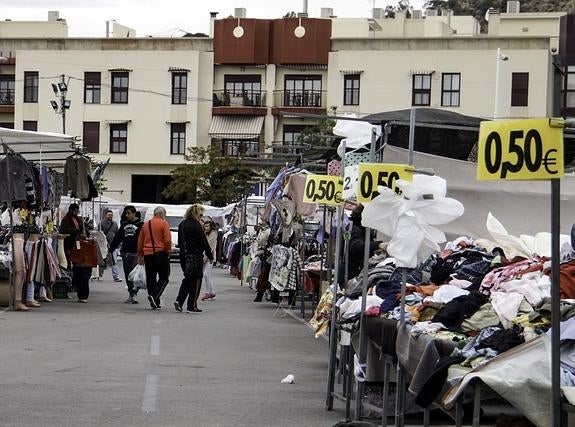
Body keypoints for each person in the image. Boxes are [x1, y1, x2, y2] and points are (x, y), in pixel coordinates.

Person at [174, 204, 213, 313]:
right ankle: (192, 305)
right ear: (196, 213)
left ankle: (179, 300)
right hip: (195, 255)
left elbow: (180, 241)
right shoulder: (196, 225)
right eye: (201, 215)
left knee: (187, 278)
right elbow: (203, 241)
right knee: (196, 280)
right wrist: (210, 255)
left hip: (183, 255)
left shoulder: (182, 224)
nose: (201, 217)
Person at [137, 206, 171, 310]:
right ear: (161, 214)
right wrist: (168, 251)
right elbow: (167, 240)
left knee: (151, 279)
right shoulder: (164, 223)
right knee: (164, 277)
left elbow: (140, 241)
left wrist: (140, 255)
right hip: (161, 253)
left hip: (148, 255)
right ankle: (154, 295)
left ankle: (155, 302)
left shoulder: (145, 225)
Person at [109, 205, 143, 304]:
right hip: (125, 252)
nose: (127, 215)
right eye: (126, 213)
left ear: (134, 213)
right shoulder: (124, 224)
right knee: (128, 274)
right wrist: (111, 249)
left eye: (129, 213)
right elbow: (118, 237)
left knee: (135, 275)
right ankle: (131, 294)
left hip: (136, 252)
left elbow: (144, 238)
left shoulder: (141, 224)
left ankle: (134, 292)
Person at [346, 205, 387, 284]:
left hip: (354, 270)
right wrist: (378, 245)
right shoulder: (355, 228)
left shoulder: (360, 228)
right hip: (352, 273)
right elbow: (356, 246)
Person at [59, 203, 92, 303]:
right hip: (70, 244)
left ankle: (76, 286)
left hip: (79, 245)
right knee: (72, 265)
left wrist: (84, 229)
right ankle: (72, 283)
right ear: (71, 210)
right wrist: (75, 231)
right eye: (75, 211)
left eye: (77, 211)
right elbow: (64, 229)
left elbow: (85, 229)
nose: (76, 213)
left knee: (80, 267)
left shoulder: (78, 219)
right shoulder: (66, 220)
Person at [99, 209, 122, 282]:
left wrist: (118, 244)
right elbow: (100, 234)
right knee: (102, 260)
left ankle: (116, 276)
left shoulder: (115, 223)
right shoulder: (101, 223)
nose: (110, 216)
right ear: (105, 215)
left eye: (111, 215)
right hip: (104, 245)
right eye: (109, 215)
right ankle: (99, 275)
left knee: (114, 261)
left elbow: (117, 234)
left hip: (113, 245)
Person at [200, 219, 218, 301]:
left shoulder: (213, 234)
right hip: (206, 256)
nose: (205, 228)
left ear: (211, 226)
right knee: (207, 275)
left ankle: (208, 292)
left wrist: (205, 258)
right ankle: (212, 292)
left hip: (209, 257)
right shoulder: (206, 234)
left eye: (207, 226)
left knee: (206, 275)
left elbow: (210, 247)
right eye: (205, 226)